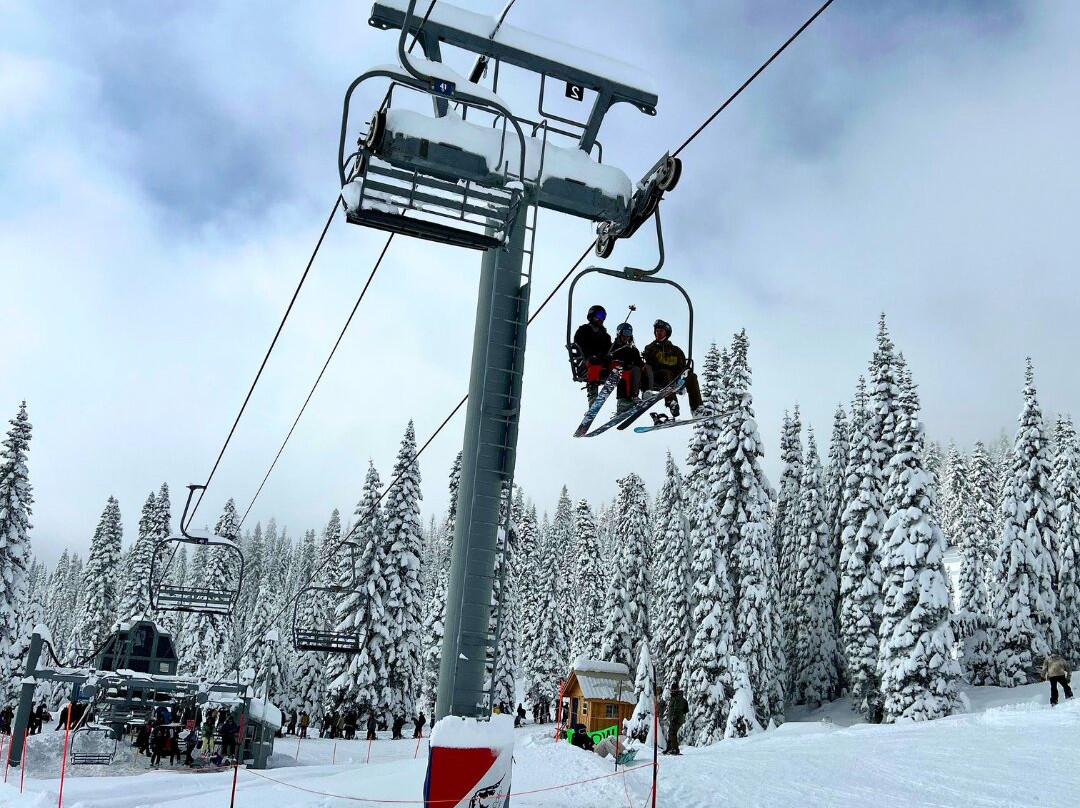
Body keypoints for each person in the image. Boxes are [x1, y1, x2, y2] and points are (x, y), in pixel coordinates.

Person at [642, 319, 703, 417]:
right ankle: (672, 403)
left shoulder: (675, 349)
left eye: (661, 331)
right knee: (666, 373)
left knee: (692, 376)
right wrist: (670, 360)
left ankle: (697, 408)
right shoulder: (650, 347)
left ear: (666, 333)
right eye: (657, 331)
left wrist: (684, 370)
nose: (658, 333)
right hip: (657, 376)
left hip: (674, 377)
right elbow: (652, 361)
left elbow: (681, 363)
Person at [571, 305, 613, 406]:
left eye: (604, 316)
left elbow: (610, 350)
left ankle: (624, 399)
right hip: (586, 363)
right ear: (592, 315)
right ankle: (592, 394)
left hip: (601, 363)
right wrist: (594, 355)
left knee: (619, 365)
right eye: (600, 315)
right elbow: (579, 346)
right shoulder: (584, 330)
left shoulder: (605, 336)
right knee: (595, 361)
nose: (602, 319)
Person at [610, 323, 645, 413]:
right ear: (619, 333)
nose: (627, 336)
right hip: (616, 367)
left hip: (627, 369)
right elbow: (608, 357)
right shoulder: (614, 346)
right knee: (624, 373)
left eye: (629, 333)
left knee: (633, 371)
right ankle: (621, 401)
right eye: (625, 333)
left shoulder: (633, 349)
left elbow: (639, 362)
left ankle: (632, 397)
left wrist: (643, 367)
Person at [664, 685, 688, 755]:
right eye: (672, 690)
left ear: (677, 690)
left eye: (675, 690)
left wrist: (674, 717)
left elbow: (677, 709)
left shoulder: (678, 698)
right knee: (670, 733)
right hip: (674, 719)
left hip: (677, 719)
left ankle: (675, 749)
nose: (673, 691)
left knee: (672, 733)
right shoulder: (674, 697)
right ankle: (669, 748)